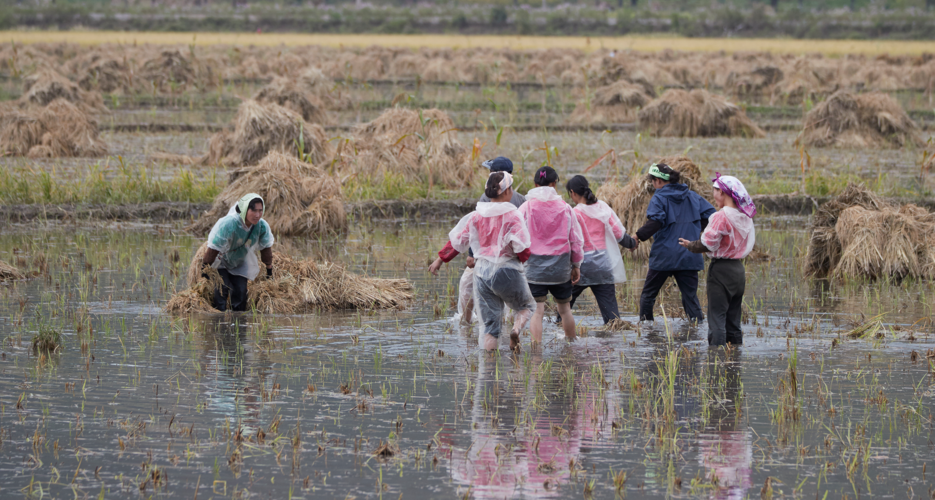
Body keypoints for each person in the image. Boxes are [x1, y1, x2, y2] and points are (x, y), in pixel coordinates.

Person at [429, 172, 536, 352]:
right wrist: (522, 259)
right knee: (527, 306)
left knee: (489, 326)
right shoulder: (513, 215)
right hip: (507, 269)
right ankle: (516, 330)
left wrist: (441, 259)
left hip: (482, 274)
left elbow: (458, 242)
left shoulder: (476, 216)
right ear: (507, 191)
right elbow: (523, 250)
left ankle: (488, 369)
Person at [430, 156, 525, 324]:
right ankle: (512, 328)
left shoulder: (486, 198)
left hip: (487, 260)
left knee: (467, 287)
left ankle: (466, 324)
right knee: (513, 301)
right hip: (510, 262)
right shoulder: (521, 200)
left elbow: (470, 232)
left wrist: (471, 254)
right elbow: (526, 237)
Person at [679, 174, 756, 346]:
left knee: (717, 319)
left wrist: (691, 245)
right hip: (738, 271)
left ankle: (716, 361)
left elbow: (708, 243)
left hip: (721, 271)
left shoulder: (721, 216)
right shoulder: (745, 216)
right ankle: (735, 360)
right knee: (733, 321)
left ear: (721, 192)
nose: (713, 195)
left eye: (714, 190)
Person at [634, 163, 715, 323]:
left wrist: (637, 236)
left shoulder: (658, 198)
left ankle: (646, 331)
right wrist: (697, 230)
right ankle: (696, 332)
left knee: (648, 295)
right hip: (689, 254)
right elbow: (713, 217)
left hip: (664, 256)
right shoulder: (692, 196)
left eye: (652, 181)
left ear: (658, 181)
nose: (652, 184)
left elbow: (655, 223)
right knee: (690, 298)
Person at [518, 166, 584, 344]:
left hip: (534, 268)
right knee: (565, 310)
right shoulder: (565, 208)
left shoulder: (526, 207)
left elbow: (517, 237)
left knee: (537, 311)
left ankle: (536, 350)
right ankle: (571, 344)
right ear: (554, 184)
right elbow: (575, 240)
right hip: (560, 267)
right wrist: (576, 265)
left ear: (534, 183)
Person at [565, 175, 638, 324]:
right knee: (612, 318)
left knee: (565, 306)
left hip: (582, 265)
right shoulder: (603, 207)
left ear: (572, 193)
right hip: (603, 264)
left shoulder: (574, 213)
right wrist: (632, 243)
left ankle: (560, 332)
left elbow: (570, 240)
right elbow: (619, 234)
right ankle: (614, 340)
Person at [201, 193, 275, 312]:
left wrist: (269, 269)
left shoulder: (261, 226)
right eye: (254, 211)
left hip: (239, 261)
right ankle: (218, 323)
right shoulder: (229, 224)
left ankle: (238, 325)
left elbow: (266, 249)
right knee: (221, 290)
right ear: (245, 209)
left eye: (260, 211)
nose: (257, 215)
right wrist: (204, 268)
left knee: (240, 293)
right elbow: (213, 248)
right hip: (221, 260)